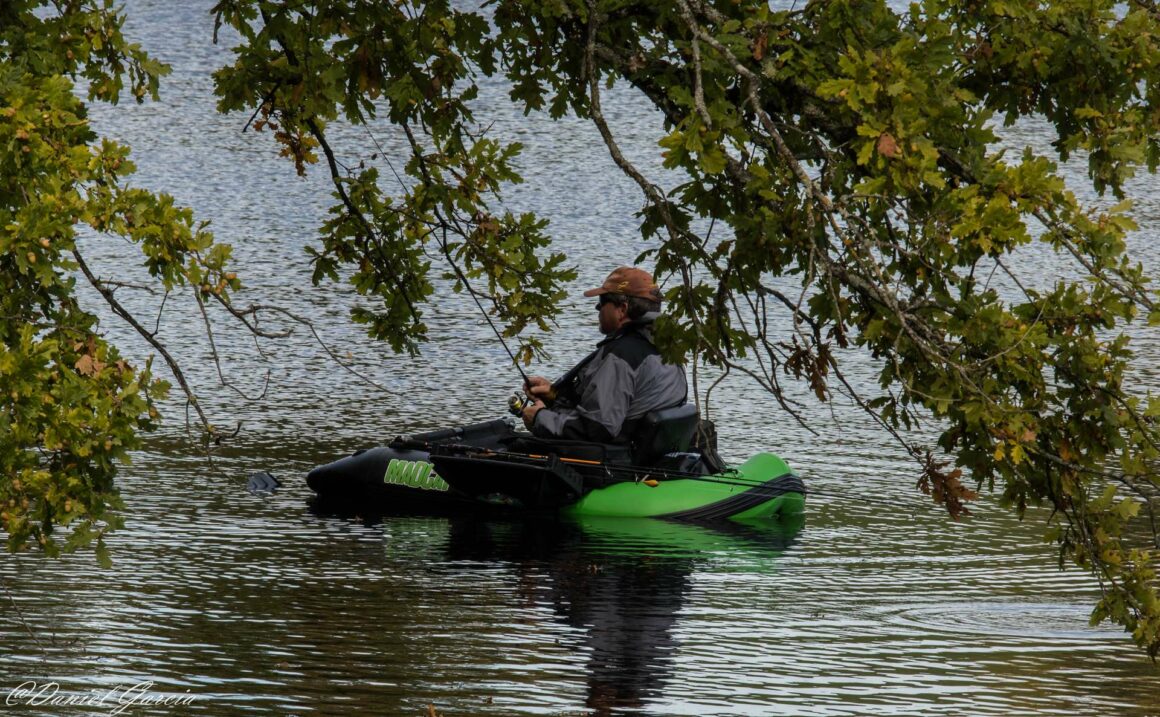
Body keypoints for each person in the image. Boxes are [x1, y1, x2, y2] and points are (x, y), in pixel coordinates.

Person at [521, 266, 687, 444]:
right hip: (648, 458)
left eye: (602, 301)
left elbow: (597, 429)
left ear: (622, 309)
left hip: (613, 463)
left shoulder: (622, 357)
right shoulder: (667, 348)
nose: (597, 307)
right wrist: (554, 396)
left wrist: (539, 418)